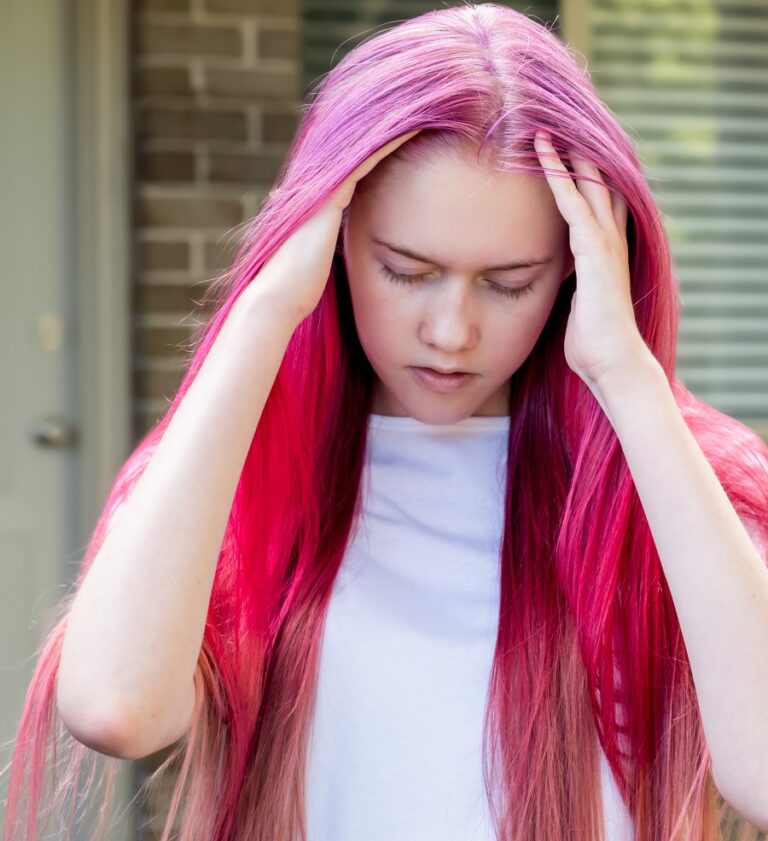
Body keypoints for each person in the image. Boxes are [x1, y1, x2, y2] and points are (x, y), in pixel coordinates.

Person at [3, 4, 768, 840]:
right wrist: (264, 311)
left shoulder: (678, 481)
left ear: (582, 277)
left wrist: (627, 374)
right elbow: (115, 706)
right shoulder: (233, 469)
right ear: (331, 243)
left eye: (510, 282)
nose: (451, 331)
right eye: (406, 270)